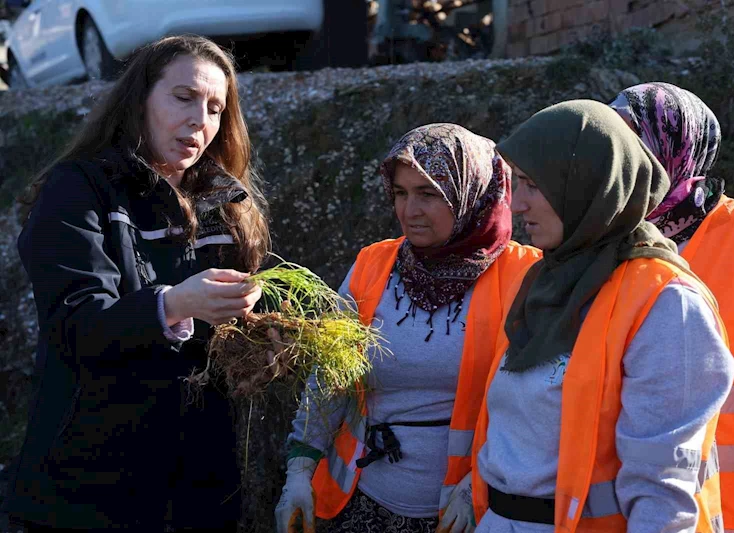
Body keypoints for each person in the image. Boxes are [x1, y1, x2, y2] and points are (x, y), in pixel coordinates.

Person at [2, 35, 270, 531]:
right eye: (183, 97)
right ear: (139, 99)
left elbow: (221, 346)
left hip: (198, 489)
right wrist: (176, 303)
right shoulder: (79, 188)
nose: (200, 120)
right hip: (89, 490)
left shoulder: (224, 204)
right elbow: (76, 323)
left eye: (215, 108)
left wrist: (264, 335)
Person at [470, 100, 734, 532]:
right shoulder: (545, 282)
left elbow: (664, 491)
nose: (517, 204)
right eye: (516, 183)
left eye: (533, 185)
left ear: (588, 185)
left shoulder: (668, 302)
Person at [274, 123, 542, 533]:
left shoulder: (526, 275)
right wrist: (299, 469)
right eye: (401, 193)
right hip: (361, 506)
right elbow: (330, 379)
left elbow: (540, 408)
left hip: (462, 515)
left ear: (470, 193)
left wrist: (480, 485)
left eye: (429, 193)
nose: (409, 211)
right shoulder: (373, 264)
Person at [610, 81, 734, 533]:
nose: (615, 159)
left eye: (628, 142)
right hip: (633, 506)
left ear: (669, 147)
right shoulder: (609, 241)